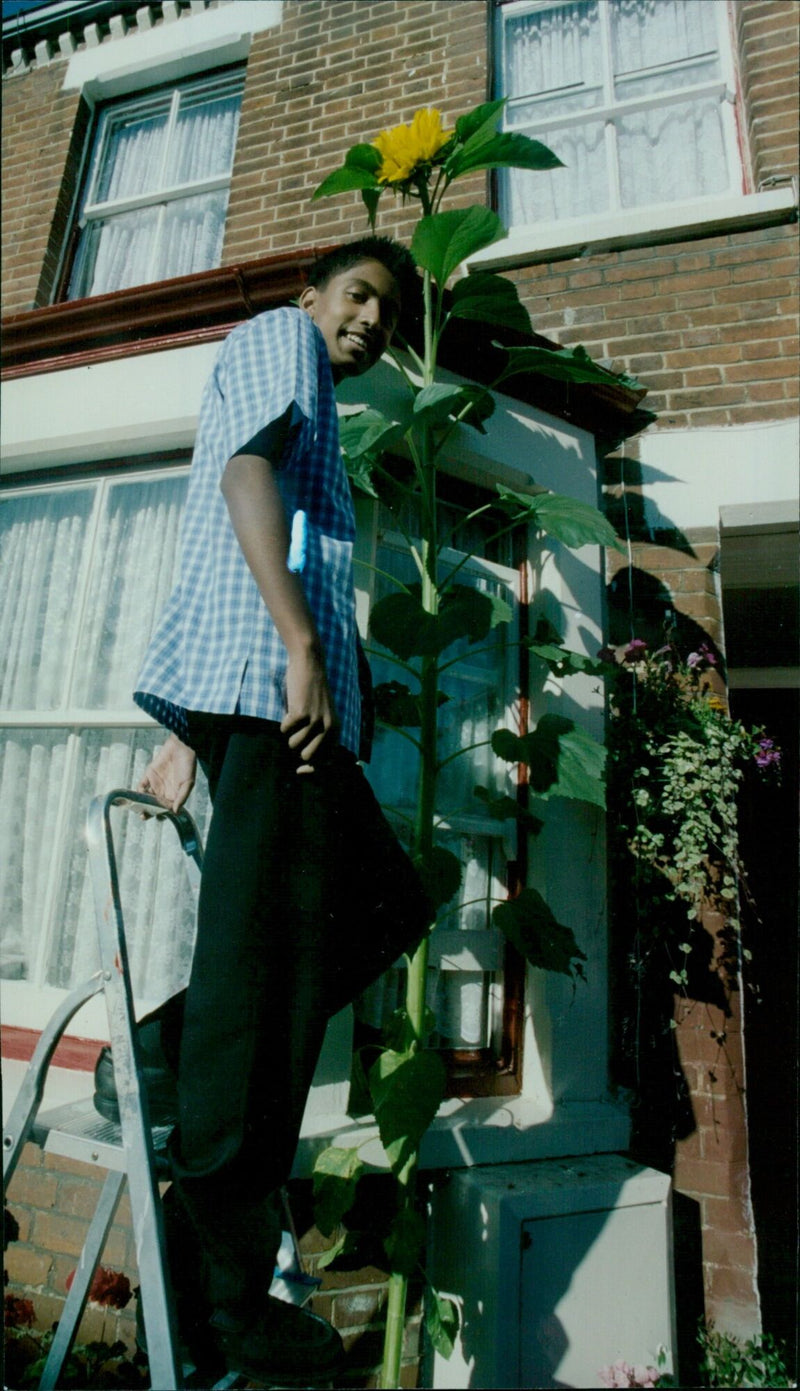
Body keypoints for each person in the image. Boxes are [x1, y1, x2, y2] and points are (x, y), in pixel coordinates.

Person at [121, 236, 431, 1384]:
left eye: (387, 315)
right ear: (312, 296)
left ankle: (157, 1062)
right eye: (357, 296)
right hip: (274, 703)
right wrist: (298, 646)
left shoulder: (297, 373)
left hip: (258, 703)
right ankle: (224, 1299)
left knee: (360, 915)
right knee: (266, 999)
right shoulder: (280, 342)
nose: (368, 323)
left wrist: (190, 724)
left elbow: (237, 524)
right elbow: (243, 476)